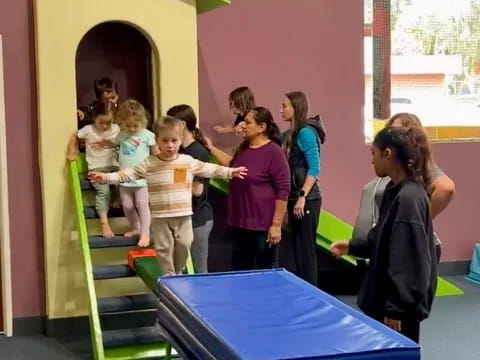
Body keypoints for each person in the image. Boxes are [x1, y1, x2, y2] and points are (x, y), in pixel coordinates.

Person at [89, 116, 248, 276]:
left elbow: (209, 168)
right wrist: (107, 177)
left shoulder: (187, 161)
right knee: (163, 248)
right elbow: (129, 174)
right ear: (156, 140)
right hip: (160, 217)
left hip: (183, 215)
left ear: (180, 140)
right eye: (165, 141)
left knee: (185, 243)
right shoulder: (149, 163)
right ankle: (168, 274)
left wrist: (230, 172)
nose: (170, 145)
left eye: (174, 140)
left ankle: (177, 271)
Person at [331, 126, 437, 343]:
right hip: (383, 300)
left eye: (374, 153)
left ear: (387, 154)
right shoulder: (393, 191)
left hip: (397, 310)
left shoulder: (409, 198)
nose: (372, 160)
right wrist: (352, 246)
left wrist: (396, 309)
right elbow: (380, 237)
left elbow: (408, 261)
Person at [352, 113, 455, 263]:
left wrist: (421, 219)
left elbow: (446, 188)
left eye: (398, 132)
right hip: (377, 248)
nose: (392, 136)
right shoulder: (391, 180)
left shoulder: (416, 176)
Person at [210, 107, 290, 270]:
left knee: (266, 271)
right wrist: (210, 147)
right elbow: (230, 165)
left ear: (262, 127)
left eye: (248, 122)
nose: (242, 125)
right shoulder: (244, 149)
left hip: (263, 226)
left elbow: (283, 190)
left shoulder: (274, 153)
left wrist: (276, 225)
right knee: (239, 270)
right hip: (241, 224)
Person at [281, 91, 325, 286]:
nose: (281, 110)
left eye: (285, 106)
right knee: (297, 249)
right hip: (293, 197)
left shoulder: (306, 133)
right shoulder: (289, 134)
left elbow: (314, 167)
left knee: (305, 250)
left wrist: (302, 196)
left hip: (307, 198)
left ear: (296, 108)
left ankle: (312, 295)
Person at [167, 104, 213, 273]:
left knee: (199, 270)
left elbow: (197, 190)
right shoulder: (180, 151)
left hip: (198, 220)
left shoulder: (198, 153)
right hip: (183, 219)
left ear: (182, 124)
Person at [67, 100, 120, 237]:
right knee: (103, 192)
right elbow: (74, 136)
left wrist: (111, 143)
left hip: (115, 167)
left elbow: (125, 141)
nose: (105, 126)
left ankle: (116, 200)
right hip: (97, 169)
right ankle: (104, 223)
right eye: (101, 122)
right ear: (94, 118)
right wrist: (72, 152)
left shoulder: (116, 129)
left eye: (108, 122)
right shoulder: (88, 130)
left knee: (126, 183)